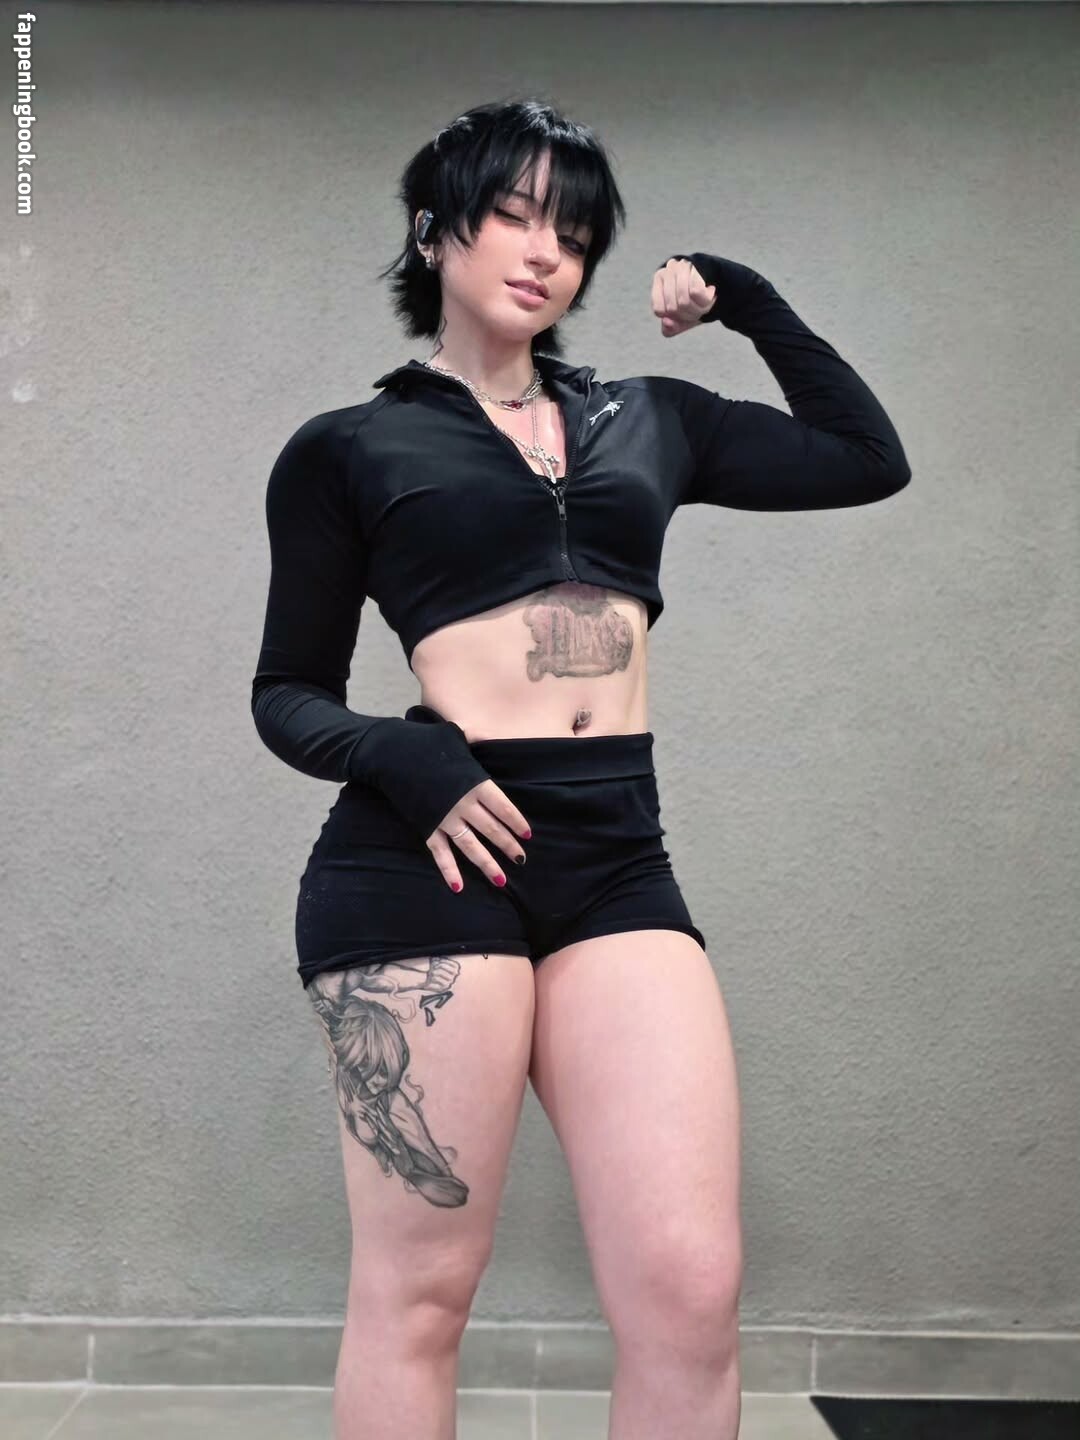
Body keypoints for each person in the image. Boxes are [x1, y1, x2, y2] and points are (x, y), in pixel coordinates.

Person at [250, 98, 910, 1440]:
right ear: (434, 233)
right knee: (421, 1294)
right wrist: (400, 753)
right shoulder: (349, 448)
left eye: (577, 230)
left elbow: (865, 459)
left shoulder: (650, 418)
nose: (547, 250)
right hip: (429, 859)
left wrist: (746, 300)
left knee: (689, 1291)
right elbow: (286, 694)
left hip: (615, 856)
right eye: (513, 215)